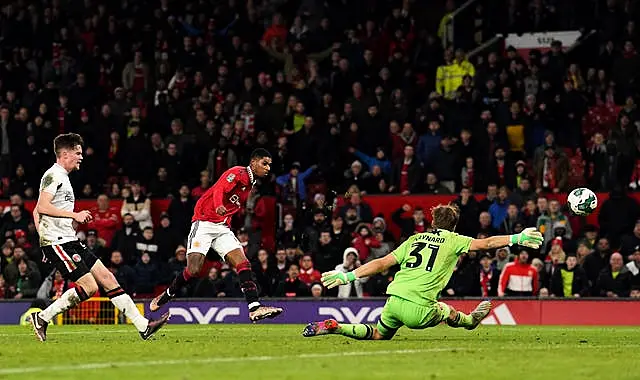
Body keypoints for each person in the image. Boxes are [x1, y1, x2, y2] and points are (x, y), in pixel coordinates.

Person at [302, 204, 543, 340]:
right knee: (446, 310)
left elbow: (381, 263)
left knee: (378, 334)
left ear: (433, 222)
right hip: (420, 309)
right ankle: (469, 321)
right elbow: (487, 243)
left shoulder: (414, 239)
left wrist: (347, 275)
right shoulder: (454, 239)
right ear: (454, 225)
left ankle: (336, 326)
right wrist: (517, 237)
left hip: (394, 301)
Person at [29, 133, 169, 342]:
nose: (81, 157)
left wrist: (44, 241)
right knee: (90, 287)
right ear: (65, 154)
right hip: (58, 241)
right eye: (77, 153)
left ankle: (143, 326)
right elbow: (41, 207)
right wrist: (70, 219)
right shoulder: (53, 175)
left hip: (68, 240)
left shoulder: (63, 178)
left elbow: (37, 212)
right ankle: (42, 317)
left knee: (108, 278)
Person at [150, 148, 283, 321]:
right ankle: (167, 295)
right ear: (253, 162)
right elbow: (220, 188)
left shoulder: (251, 184)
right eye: (264, 164)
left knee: (243, 264)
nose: (267, 168)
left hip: (222, 227)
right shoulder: (237, 172)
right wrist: (219, 205)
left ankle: (254, 308)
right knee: (194, 269)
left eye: (269, 165)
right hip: (204, 223)